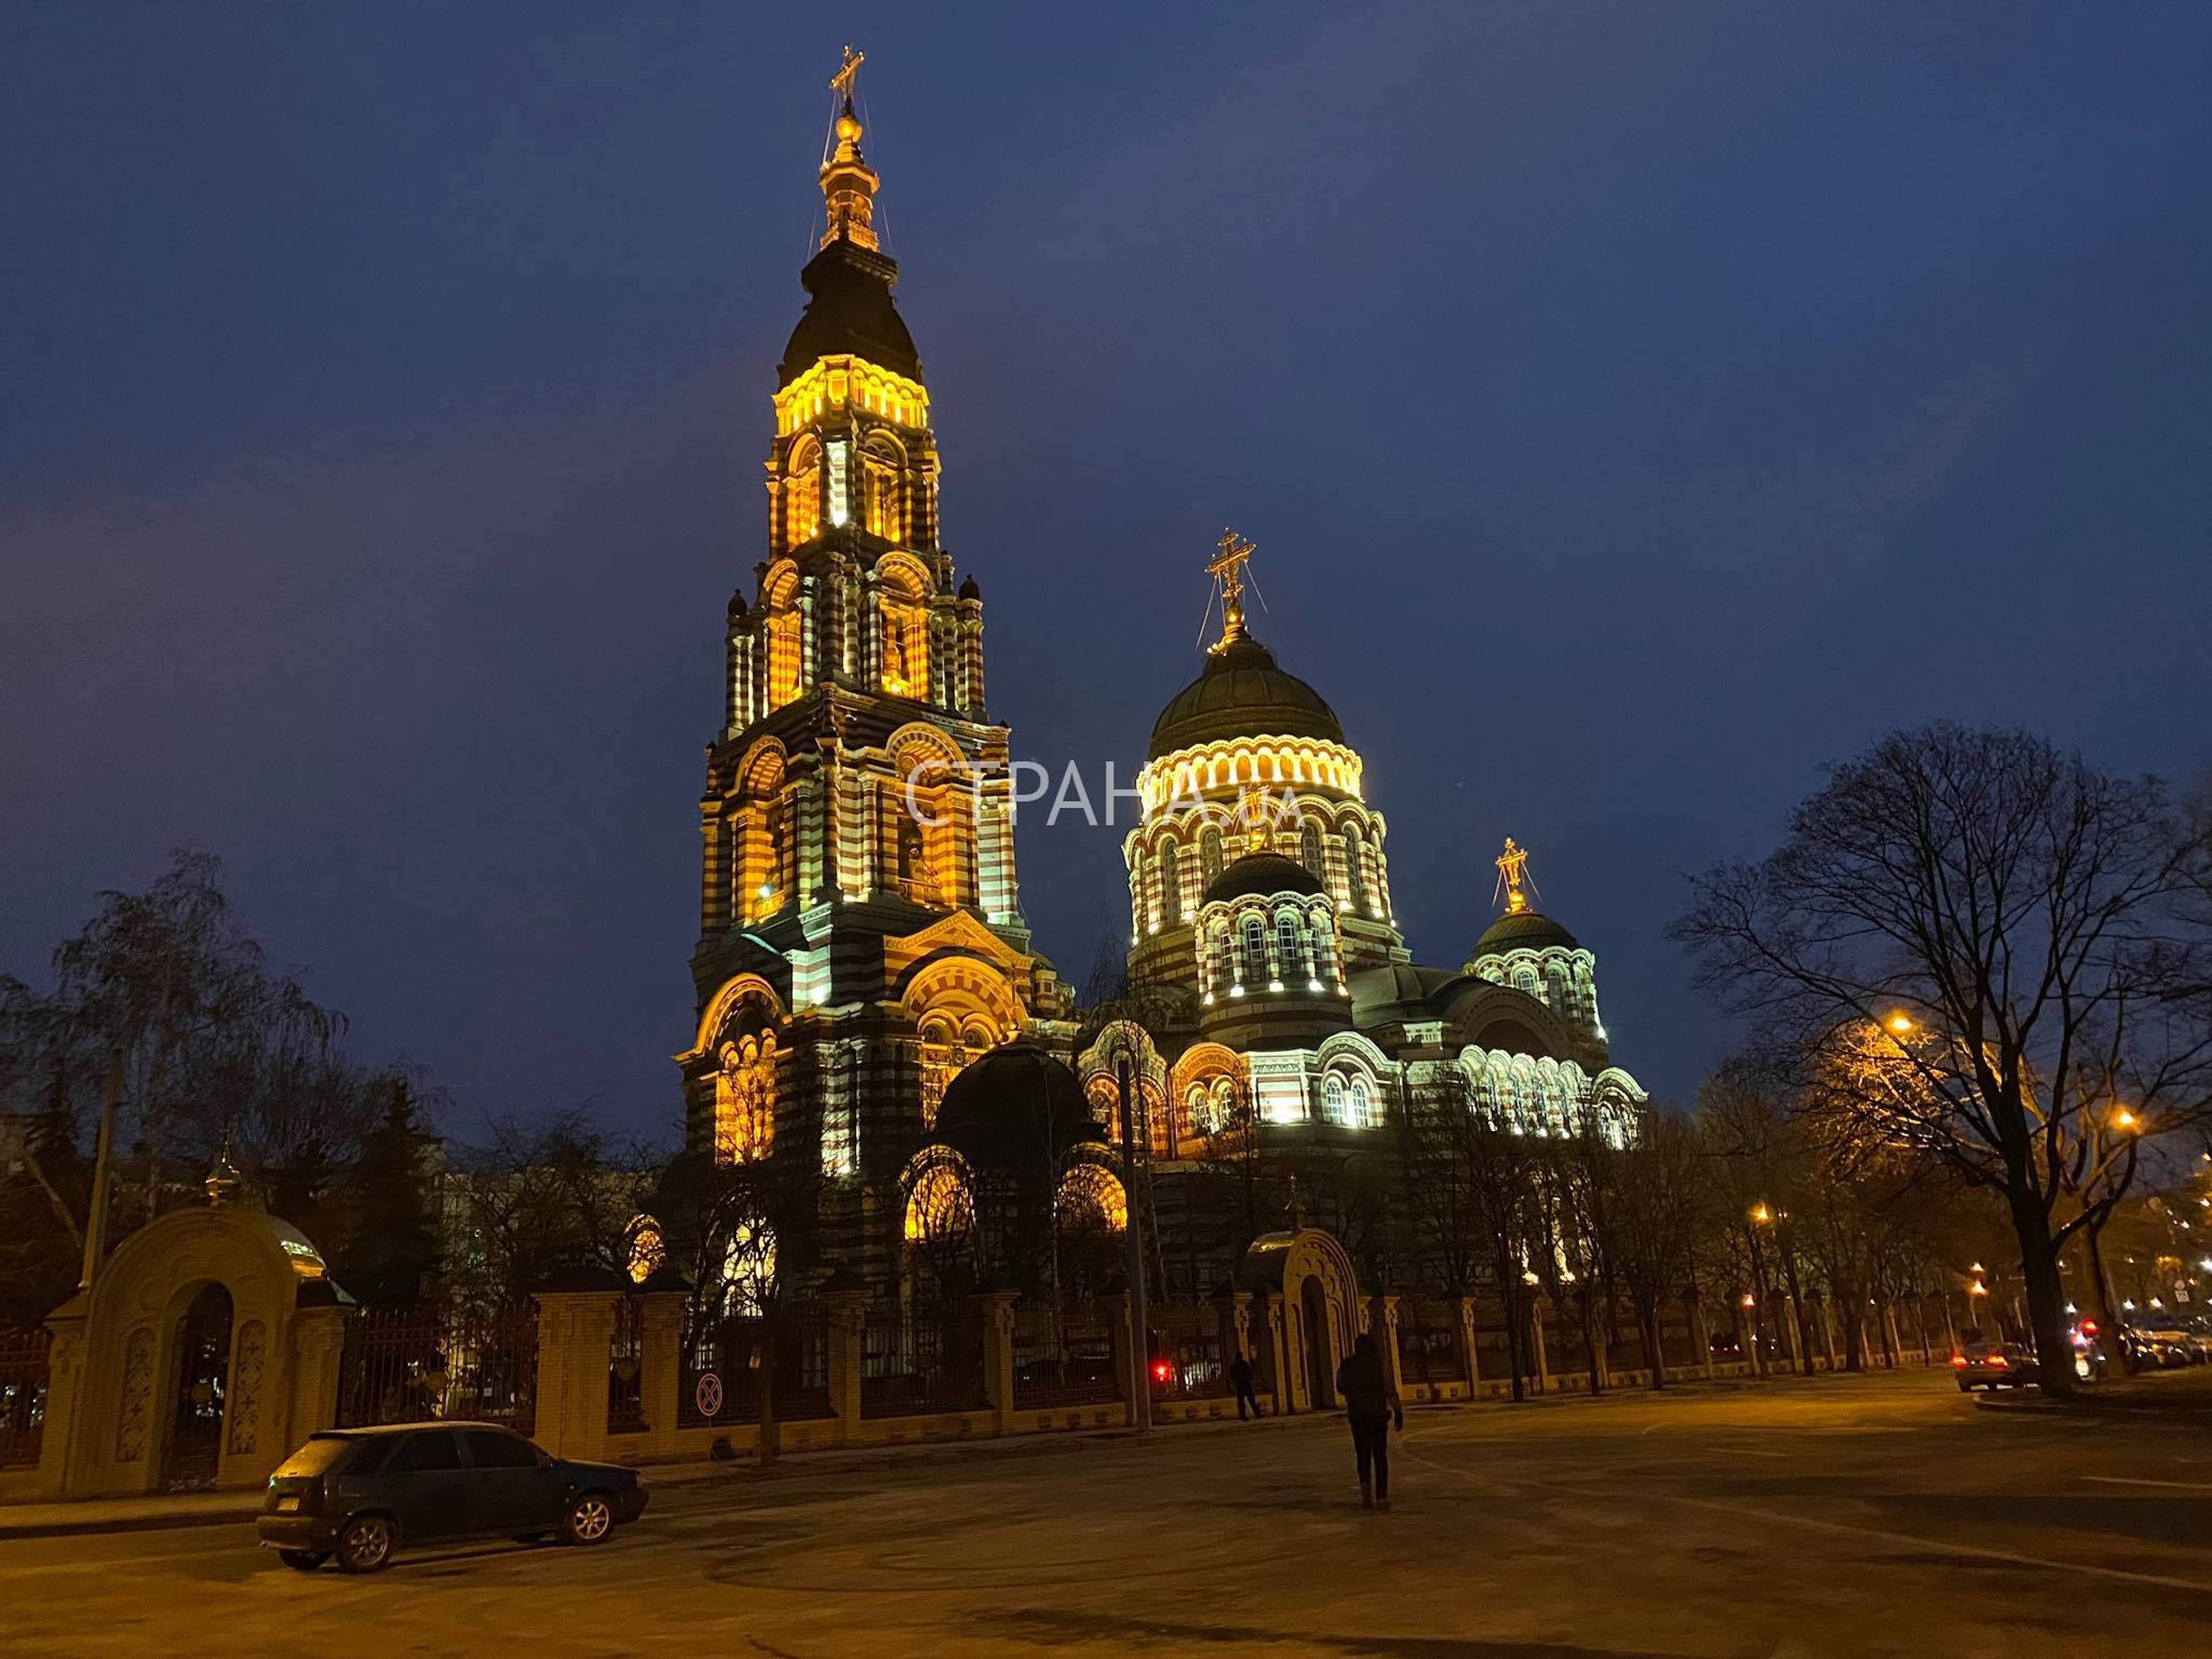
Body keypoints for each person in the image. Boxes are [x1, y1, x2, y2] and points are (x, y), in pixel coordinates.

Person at [1335, 1331, 1403, 1510]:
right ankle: (1381, 1497)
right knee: (1380, 1456)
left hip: (1357, 1415)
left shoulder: (1347, 1365)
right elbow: (1389, 1389)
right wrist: (1398, 1411)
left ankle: (1366, 1496)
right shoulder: (1379, 1365)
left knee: (1362, 1455)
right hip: (1377, 1415)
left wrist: (1355, 1392)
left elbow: (1340, 1387)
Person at [1229, 1350, 1263, 1419]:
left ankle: (1243, 1415)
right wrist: (1247, 1379)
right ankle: (1256, 1413)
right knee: (1251, 1399)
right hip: (1246, 1384)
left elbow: (1232, 1376)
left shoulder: (1235, 1365)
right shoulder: (1244, 1364)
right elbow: (1250, 1374)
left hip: (1240, 1384)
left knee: (1242, 1401)